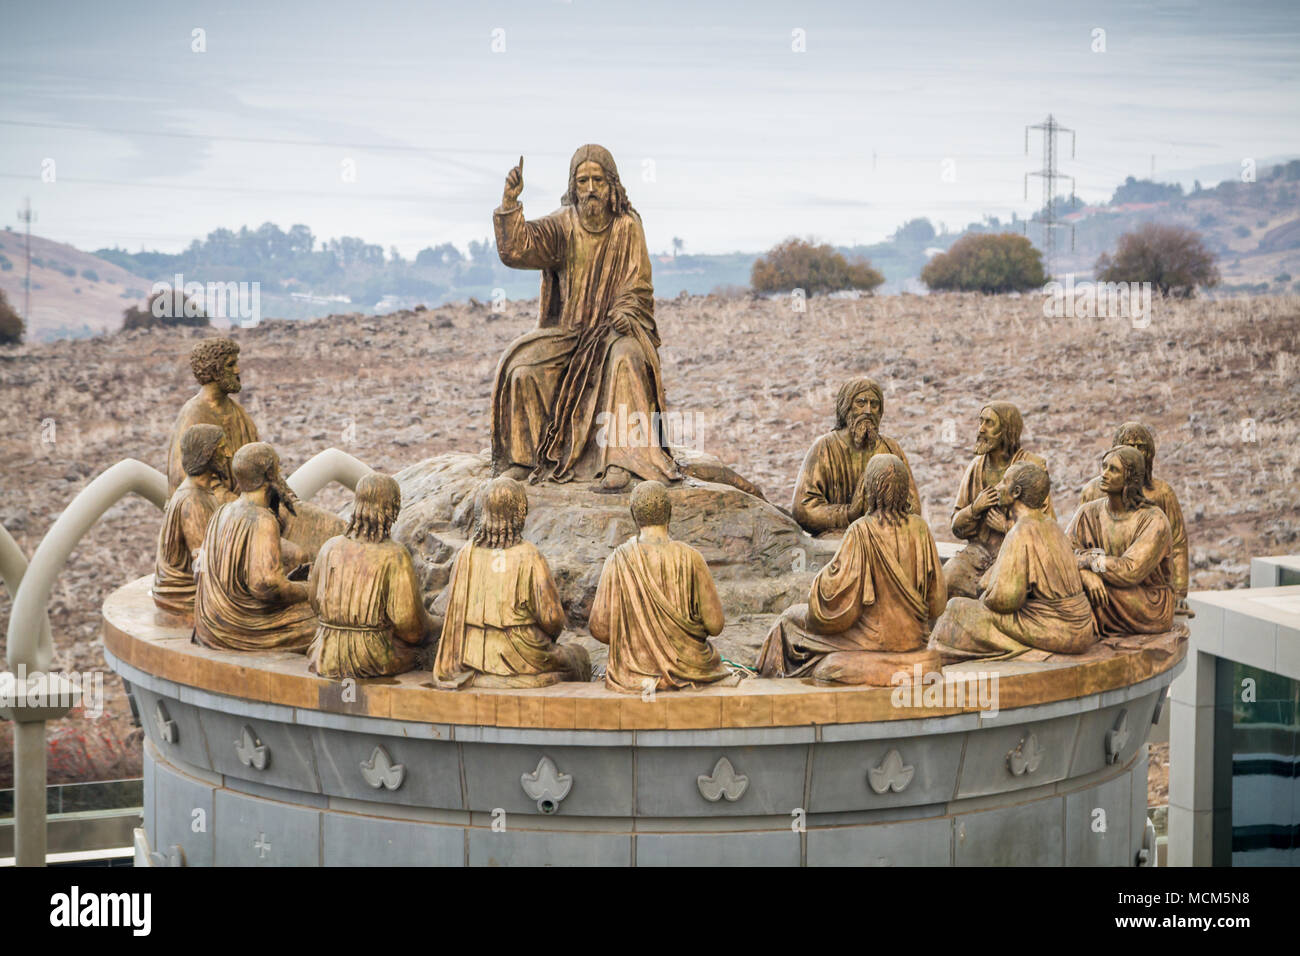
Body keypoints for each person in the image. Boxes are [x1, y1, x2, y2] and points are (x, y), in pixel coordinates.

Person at [490, 145, 679, 491]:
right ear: (573, 187)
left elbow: (639, 286)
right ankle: (523, 459)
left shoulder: (628, 226)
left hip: (614, 333)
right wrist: (510, 204)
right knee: (522, 368)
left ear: (611, 186)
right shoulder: (563, 225)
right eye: (582, 181)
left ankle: (623, 460)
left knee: (625, 360)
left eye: (597, 180)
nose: (590, 188)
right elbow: (519, 248)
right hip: (570, 333)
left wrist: (625, 311)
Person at [759, 455, 946, 684]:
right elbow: (937, 603)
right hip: (913, 638)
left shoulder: (861, 531)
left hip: (874, 638)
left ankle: (770, 689)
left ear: (871, 488)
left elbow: (836, 600)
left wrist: (819, 583)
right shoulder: (921, 529)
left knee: (788, 622)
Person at [929, 462, 1096, 660]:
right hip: (1079, 626)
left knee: (955, 610)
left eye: (1003, 482)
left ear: (1016, 492)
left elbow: (1005, 601)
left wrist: (986, 590)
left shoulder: (1020, 531)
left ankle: (932, 665)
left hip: (1057, 628)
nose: (998, 487)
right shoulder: (1050, 525)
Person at [433, 477, 590, 688]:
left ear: (484, 512)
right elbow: (552, 618)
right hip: (522, 651)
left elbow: (454, 613)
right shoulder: (529, 555)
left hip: (471, 654)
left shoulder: (466, 554)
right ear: (520, 511)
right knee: (577, 656)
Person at [589, 481, 736, 693]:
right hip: (691, 669)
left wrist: (633, 638)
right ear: (670, 513)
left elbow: (599, 627)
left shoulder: (617, 560)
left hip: (634, 673)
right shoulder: (692, 557)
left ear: (633, 515)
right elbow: (715, 625)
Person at [307, 473, 434, 679]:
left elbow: (314, 603)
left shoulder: (330, 547)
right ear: (392, 509)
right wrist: (434, 625)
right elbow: (410, 628)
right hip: (371, 658)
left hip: (324, 652)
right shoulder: (394, 555)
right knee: (428, 652)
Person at [194, 443, 317, 652]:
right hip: (240, 630)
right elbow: (267, 587)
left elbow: (199, 569)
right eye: (277, 469)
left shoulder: (221, 512)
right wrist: (310, 589)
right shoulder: (262, 519)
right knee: (328, 624)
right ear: (270, 474)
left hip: (209, 622)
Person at [944, 401, 1053, 599]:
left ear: (1007, 430)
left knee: (993, 593)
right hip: (979, 552)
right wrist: (975, 508)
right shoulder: (976, 468)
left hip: (1018, 555)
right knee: (947, 579)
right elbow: (956, 527)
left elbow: (1046, 530)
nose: (981, 429)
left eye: (989, 423)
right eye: (980, 422)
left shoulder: (1031, 467)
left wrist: (1008, 528)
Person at [1079, 421, 1189, 613]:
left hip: (1142, 585)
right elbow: (1072, 545)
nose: (1136, 451)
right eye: (1129, 445)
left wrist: (1180, 591)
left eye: (1141, 447)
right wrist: (1084, 572)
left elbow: (1177, 543)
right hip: (1101, 576)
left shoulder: (1161, 497)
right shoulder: (1092, 495)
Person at [1068, 445, 1175, 636]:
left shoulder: (1154, 521)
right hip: (1106, 586)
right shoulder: (1088, 512)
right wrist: (1086, 576)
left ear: (1131, 479)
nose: (1104, 474)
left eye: (1114, 469)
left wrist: (1088, 561)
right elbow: (1063, 553)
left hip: (1146, 601)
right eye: (1104, 466)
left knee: (1076, 598)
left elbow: (1129, 571)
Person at [791, 377, 920, 535]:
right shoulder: (824, 448)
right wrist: (848, 514)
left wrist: (883, 516)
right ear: (846, 407)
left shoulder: (891, 448)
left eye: (874, 404)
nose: (868, 410)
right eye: (861, 402)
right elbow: (803, 509)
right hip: (838, 538)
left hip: (883, 537)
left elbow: (913, 507)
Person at [153, 424, 234, 616]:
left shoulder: (203, 492)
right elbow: (204, 565)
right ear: (207, 454)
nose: (229, 454)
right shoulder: (193, 500)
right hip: (185, 597)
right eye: (222, 449)